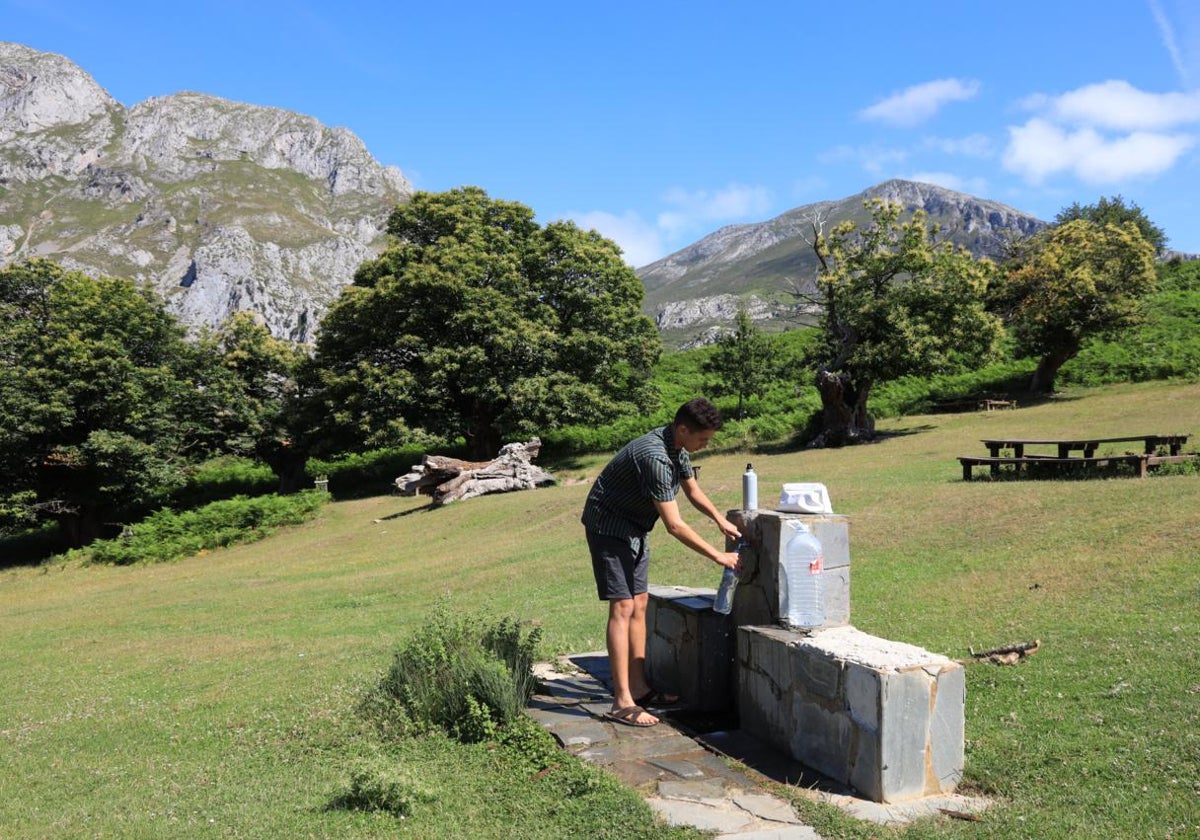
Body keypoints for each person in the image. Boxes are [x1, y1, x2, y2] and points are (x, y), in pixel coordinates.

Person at [581, 398, 741, 727]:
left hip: (635, 528)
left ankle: (638, 687)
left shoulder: (677, 448)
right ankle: (621, 701)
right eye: (703, 439)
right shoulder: (654, 457)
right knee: (622, 606)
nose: (705, 445)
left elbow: (692, 491)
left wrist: (719, 520)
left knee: (640, 603)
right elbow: (675, 525)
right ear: (683, 429)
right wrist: (718, 555)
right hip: (609, 527)